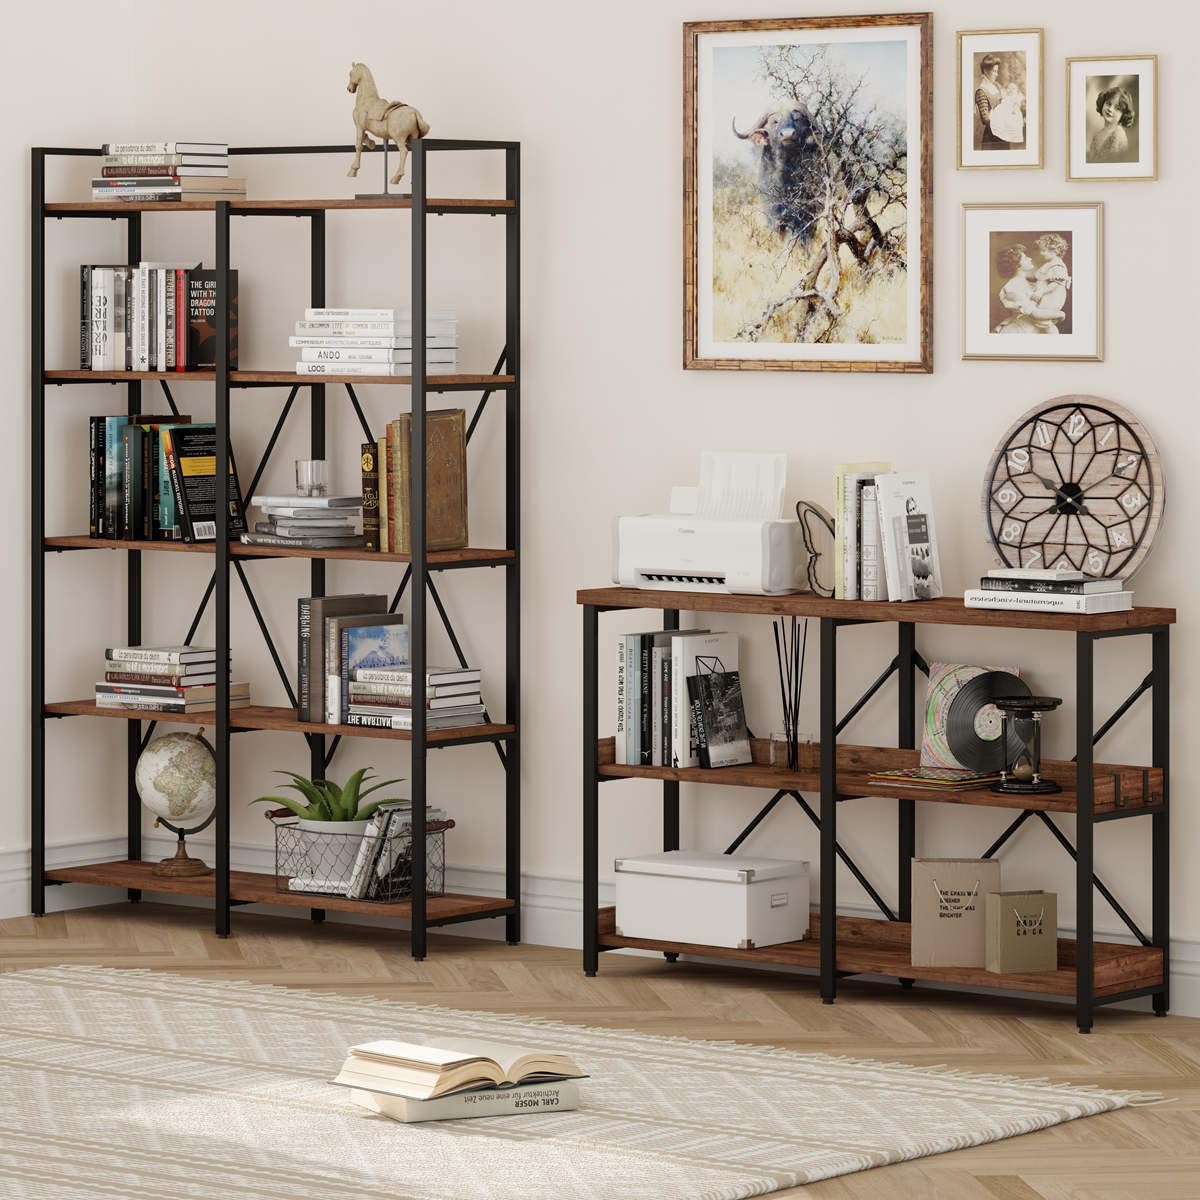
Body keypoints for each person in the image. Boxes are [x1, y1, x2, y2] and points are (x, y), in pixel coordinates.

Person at [992, 243, 1036, 334]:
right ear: (1017, 265)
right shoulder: (1012, 287)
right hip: (1021, 330)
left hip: (1034, 326)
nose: (1030, 259)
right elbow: (1032, 312)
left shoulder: (1028, 282)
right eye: (1026, 258)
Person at [1089, 83, 1136, 162]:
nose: (1110, 109)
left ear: (1123, 115)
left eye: (1117, 108)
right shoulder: (1097, 136)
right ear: (1103, 103)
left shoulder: (1118, 135)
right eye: (1108, 104)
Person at [974, 55, 1006, 149]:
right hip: (991, 136)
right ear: (986, 71)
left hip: (1003, 133)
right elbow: (985, 119)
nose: (996, 74)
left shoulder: (996, 86)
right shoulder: (981, 91)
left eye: (997, 71)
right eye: (994, 71)